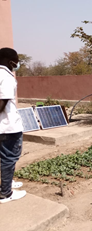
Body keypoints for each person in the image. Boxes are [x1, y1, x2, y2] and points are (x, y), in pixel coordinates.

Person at [0, 47, 26, 203]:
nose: (17, 63)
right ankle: (6, 193)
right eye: (16, 61)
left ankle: (7, 183)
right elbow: (2, 102)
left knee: (4, 157)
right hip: (7, 127)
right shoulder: (6, 76)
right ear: (11, 61)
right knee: (9, 158)